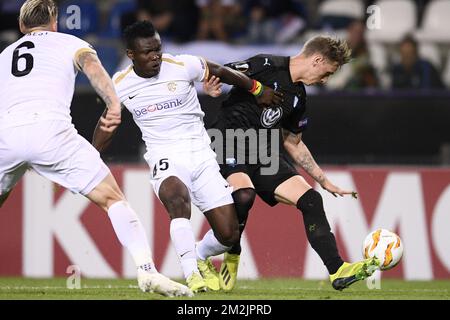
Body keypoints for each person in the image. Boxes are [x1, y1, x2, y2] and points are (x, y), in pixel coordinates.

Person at [0, 0, 191, 298]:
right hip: (51, 131)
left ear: (23, 26)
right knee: (113, 199)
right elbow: (93, 67)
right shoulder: (72, 43)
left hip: (6, 134)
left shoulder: (4, 54)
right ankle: (147, 272)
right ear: (54, 22)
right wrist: (114, 103)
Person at [91, 21, 282, 293]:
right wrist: (91, 156)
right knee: (177, 199)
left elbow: (219, 71)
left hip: (201, 155)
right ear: (131, 54)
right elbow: (107, 122)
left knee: (228, 235)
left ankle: (200, 254)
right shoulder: (119, 83)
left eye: (157, 49)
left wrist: (257, 89)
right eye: (148, 52)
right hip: (164, 155)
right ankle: (192, 274)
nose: (155, 56)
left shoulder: (182, 65)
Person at [204, 35, 381, 291]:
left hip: (263, 154)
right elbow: (222, 70)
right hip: (227, 142)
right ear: (317, 60)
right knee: (244, 196)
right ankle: (232, 249)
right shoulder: (266, 64)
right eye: (327, 73)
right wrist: (211, 85)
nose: (325, 80)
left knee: (311, 200)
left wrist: (324, 180)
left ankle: (337, 270)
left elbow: (293, 142)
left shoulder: (299, 96)